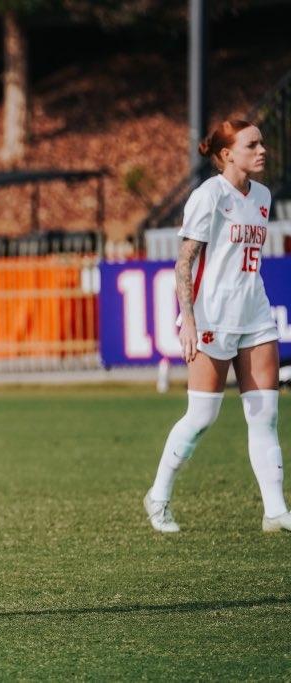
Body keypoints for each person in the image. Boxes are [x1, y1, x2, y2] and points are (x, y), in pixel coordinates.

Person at [144, 119, 290, 533]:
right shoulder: (208, 196)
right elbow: (184, 262)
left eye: (263, 143)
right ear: (227, 154)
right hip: (212, 317)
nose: (262, 150)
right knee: (202, 417)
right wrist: (188, 320)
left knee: (265, 415)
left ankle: (275, 510)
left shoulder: (262, 196)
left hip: (255, 314)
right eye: (253, 144)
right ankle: (158, 497)